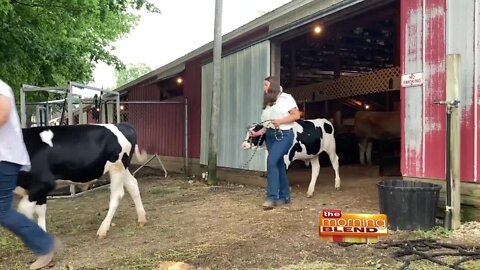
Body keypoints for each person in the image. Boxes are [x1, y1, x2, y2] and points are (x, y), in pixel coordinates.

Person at [0, 79, 60, 269]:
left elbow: (3, 113)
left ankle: (44, 244)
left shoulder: (1, 88)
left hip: (5, 158)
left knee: (2, 211)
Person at [250, 76, 301, 209]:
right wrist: (258, 133)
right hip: (270, 136)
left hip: (284, 135)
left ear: (272, 86)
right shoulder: (269, 102)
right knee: (278, 165)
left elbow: (296, 115)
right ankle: (285, 196)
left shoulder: (286, 98)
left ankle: (271, 198)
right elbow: (267, 124)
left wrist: (280, 121)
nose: (264, 88)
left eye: (265, 85)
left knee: (271, 161)